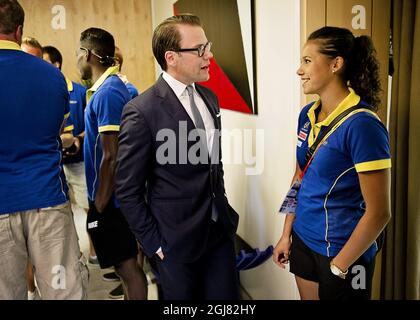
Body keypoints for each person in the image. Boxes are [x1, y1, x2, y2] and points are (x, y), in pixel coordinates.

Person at [115, 14, 239, 300]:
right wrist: (152, 243)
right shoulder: (141, 111)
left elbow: (213, 166)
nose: (210, 55)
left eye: (207, 46)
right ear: (171, 57)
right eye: (200, 50)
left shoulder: (210, 98)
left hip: (219, 234)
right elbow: (128, 189)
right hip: (173, 243)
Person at [273, 26, 391, 300]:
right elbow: (298, 178)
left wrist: (339, 266)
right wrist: (286, 233)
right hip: (303, 240)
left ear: (336, 64)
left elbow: (379, 212)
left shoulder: (363, 125)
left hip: (343, 251)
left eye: (307, 61)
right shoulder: (307, 114)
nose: (299, 70)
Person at [0, 0, 88, 300]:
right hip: (47, 200)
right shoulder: (55, 78)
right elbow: (56, 130)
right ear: (19, 29)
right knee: (62, 293)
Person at [76, 27, 147, 300]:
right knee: (123, 266)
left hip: (114, 201)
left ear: (88, 54)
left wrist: (100, 205)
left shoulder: (108, 92)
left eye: (78, 54)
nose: (77, 60)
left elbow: (112, 154)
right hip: (110, 198)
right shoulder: (103, 90)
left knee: (128, 267)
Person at [42, 45, 99, 267]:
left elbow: (92, 126)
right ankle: (70, 256)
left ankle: (94, 252)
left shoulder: (79, 92)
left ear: (56, 65)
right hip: (53, 165)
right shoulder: (42, 92)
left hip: (79, 163)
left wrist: (76, 140)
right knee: (60, 213)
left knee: (88, 207)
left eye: (44, 61)